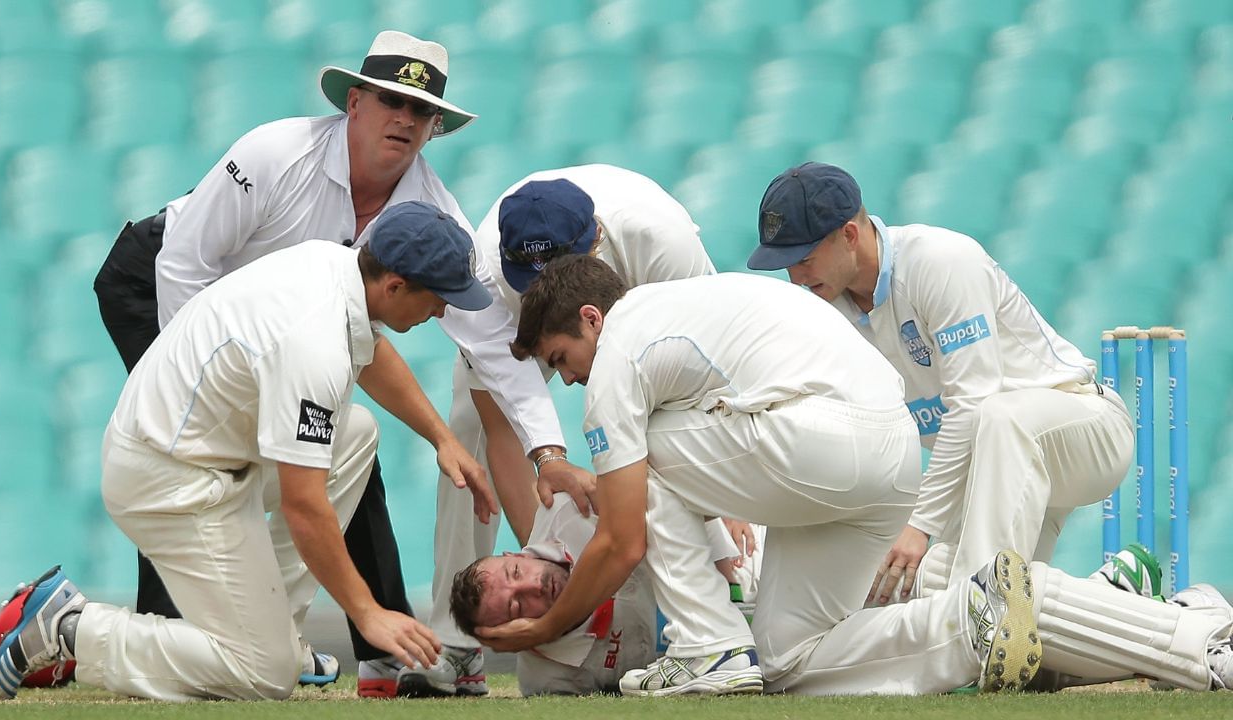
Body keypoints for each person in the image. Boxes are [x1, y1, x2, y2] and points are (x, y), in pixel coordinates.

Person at [475, 254, 1233, 696]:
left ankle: (706, 648)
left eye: (559, 361)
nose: (569, 382)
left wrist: (544, 627)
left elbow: (622, 539)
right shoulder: (688, 304)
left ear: (590, 320)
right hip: (881, 454)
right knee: (789, 656)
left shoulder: (622, 352)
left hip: (823, 447)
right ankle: (1198, 638)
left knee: (638, 461)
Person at [91, 30, 477, 695]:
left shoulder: (426, 220)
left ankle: (289, 634)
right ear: (354, 102)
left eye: (421, 111)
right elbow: (183, 265)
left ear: (435, 128)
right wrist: (191, 388)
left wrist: (452, 437)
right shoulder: (276, 152)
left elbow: (391, 345)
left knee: (344, 438)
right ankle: (173, 640)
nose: (405, 120)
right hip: (157, 280)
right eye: (391, 100)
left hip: (264, 325)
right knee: (197, 461)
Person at [0, 202, 498, 702]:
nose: (442, 311)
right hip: (168, 481)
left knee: (355, 432)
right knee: (263, 675)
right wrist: (366, 612)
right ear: (394, 286)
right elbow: (303, 506)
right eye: (439, 297)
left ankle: (279, 636)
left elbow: (371, 352)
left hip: (201, 453)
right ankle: (71, 628)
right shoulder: (311, 343)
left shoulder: (333, 266)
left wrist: (443, 438)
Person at [745, 162, 1135, 607]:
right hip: (990, 467)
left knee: (996, 423)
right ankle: (1122, 593)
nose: (795, 277)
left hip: (1084, 427)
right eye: (785, 264)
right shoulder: (825, 309)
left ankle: (978, 626)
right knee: (948, 591)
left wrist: (921, 524)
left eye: (804, 258)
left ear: (849, 235)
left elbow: (973, 404)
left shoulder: (940, 261)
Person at [419, 166, 716, 694]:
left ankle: (719, 601)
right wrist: (550, 538)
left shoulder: (659, 241)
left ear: (596, 241)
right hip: (515, 333)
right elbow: (501, 419)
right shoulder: (488, 271)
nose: (543, 297)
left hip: (661, 322)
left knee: (677, 430)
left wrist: (724, 509)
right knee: (466, 434)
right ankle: (459, 646)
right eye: (531, 285)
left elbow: (708, 376)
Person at [448, 494, 757, 696]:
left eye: (516, 572)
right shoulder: (547, 679)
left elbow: (660, 494)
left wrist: (723, 508)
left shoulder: (568, 512)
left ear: (516, 554)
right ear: (508, 635)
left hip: (745, 556)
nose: (534, 586)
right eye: (517, 606)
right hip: (729, 653)